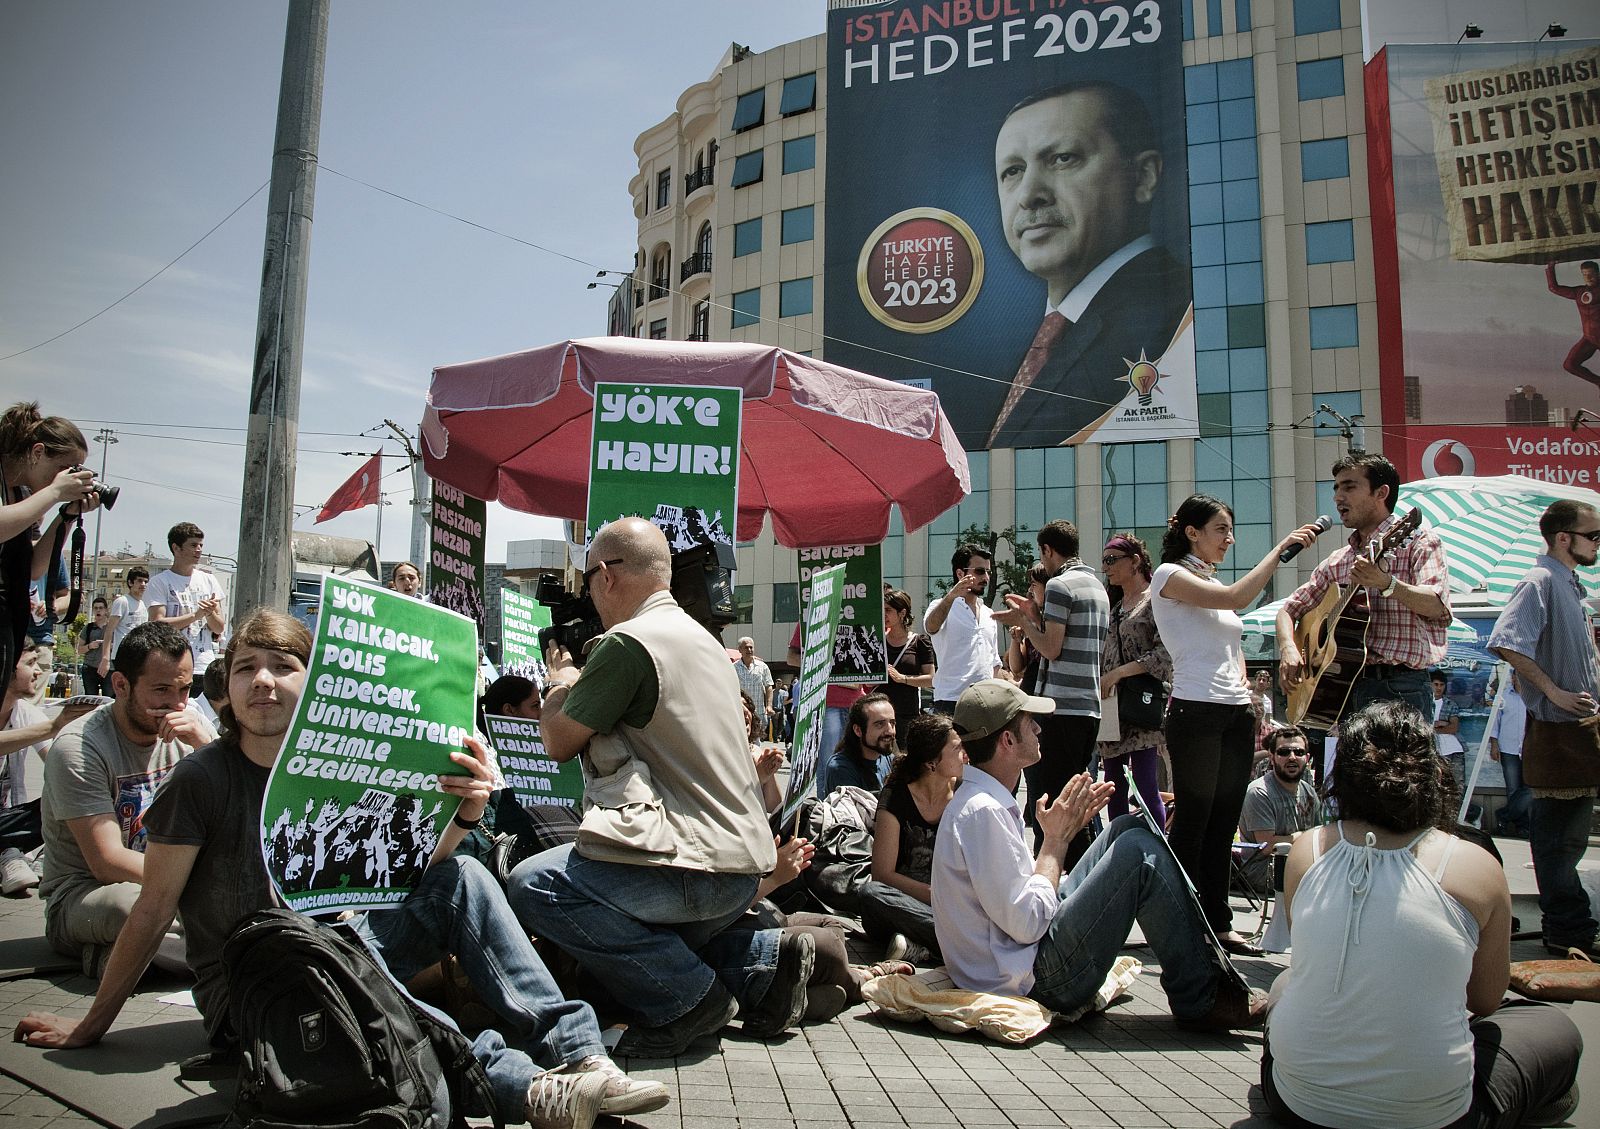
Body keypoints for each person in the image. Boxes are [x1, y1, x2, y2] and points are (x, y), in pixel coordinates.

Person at [16, 608, 667, 1129]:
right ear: (230, 686)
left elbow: (406, 875)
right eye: (246, 667)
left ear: (313, 681)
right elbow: (154, 910)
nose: (263, 680)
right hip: (264, 984)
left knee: (463, 876)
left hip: (347, 941)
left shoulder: (335, 764)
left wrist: (466, 814)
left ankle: (580, 1050)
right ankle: (531, 1090)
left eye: (282, 665)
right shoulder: (200, 779)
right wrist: (90, 1025)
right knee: (373, 994)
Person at [508, 518, 804, 1058]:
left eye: (586, 579)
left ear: (606, 576)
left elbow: (556, 739)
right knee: (612, 966)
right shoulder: (703, 641)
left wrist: (559, 679)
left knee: (536, 883)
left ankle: (694, 1002)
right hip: (740, 870)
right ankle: (758, 968)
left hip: (690, 870)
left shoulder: (628, 644)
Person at [1262, 701, 1581, 1129]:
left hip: (1298, 1105)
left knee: (1285, 982)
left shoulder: (1307, 849)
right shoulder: (1475, 864)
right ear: (1432, 774)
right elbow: (1483, 999)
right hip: (1433, 1115)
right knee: (1549, 1025)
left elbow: (1315, 955)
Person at [932, 679, 1265, 1030]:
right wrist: (1055, 843)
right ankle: (1202, 996)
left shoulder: (984, 802)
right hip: (1034, 979)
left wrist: (1057, 843)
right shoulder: (983, 811)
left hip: (1021, 959)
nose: (1039, 728)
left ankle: (1202, 978)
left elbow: (1013, 901)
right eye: (1030, 722)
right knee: (1138, 854)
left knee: (1126, 829)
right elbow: (1026, 923)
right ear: (1008, 740)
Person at [1152, 494, 1321, 957]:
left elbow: (1230, 637)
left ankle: (1219, 924)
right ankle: (1182, 921)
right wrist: (1280, 549)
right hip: (1196, 710)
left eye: (1230, 530)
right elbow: (1237, 597)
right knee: (1194, 821)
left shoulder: (1207, 579)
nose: (1229, 539)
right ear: (1192, 532)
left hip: (1234, 711)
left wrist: (1247, 692)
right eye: (1221, 530)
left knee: (1224, 822)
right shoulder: (1170, 576)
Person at [984, 82, 1191, 448]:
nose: (1030, 195)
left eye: (1062, 158)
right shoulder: (1044, 339)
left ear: (1143, 176)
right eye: (1013, 171)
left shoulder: (1176, 316)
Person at [39, 622, 215, 974]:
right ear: (121, 685)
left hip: (171, 883)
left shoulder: (190, 728)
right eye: (162, 690)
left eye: (185, 689)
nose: (176, 703)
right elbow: (107, 861)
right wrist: (196, 887)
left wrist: (207, 748)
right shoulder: (79, 748)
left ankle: (131, 962)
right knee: (138, 911)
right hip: (87, 895)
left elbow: (238, 812)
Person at [1276, 453, 1453, 778]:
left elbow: (1437, 605)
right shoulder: (1338, 561)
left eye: (1349, 487)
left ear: (1381, 493)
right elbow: (1289, 609)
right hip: (1347, 691)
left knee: (1405, 784)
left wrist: (1387, 583)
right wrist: (1289, 647)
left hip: (1401, 687)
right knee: (1357, 789)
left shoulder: (1418, 542)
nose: (1337, 497)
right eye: (1336, 488)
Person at [1488, 498, 1600, 957]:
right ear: (1563, 538)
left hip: (1582, 733)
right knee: (1558, 843)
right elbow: (1507, 643)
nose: (1597, 544)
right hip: (1558, 735)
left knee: (1567, 840)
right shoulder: (1539, 581)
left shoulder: (1571, 586)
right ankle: (1569, 931)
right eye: (1593, 536)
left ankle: (1571, 926)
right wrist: (1552, 691)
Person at [994, 520, 1108, 858]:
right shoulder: (1095, 585)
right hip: (1088, 708)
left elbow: (1051, 648)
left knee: (1052, 805)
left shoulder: (1059, 585)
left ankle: (1052, 886)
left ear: (1047, 550)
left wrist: (1024, 622)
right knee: (1073, 803)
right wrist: (1034, 614)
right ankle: (1079, 881)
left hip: (1060, 710)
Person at [0, 403, 99, 690]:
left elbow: (32, 569)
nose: (65, 478)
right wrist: (55, 493)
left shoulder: (23, 495)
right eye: (63, 469)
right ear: (38, 452)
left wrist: (65, 517)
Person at [857, 712, 964, 966]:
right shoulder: (897, 796)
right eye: (957, 748)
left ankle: (925, 947)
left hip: (955, 903)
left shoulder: (965, 792)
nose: (965, 754)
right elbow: (882, 874)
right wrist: (936, 896)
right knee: (871, 894)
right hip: (907, 903)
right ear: (931, 763)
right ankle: (959, 943)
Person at [1, 648, 97, 895]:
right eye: (30, 663)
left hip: (8, 819)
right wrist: (53, 726)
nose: (38, 672)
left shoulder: (25, 712)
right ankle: (10, 854)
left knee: (62, 800)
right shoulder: (42, 722)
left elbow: (58, 764)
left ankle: (11, 853)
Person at [1095, 533, 1170, 827]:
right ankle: (1119, 847)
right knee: (1112, 784)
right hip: (1113, 704)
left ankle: (1155, 847)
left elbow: (1164, 654)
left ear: (1135, 561)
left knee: (1145, 783)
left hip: (1142, 702)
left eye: (1112, 560)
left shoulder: (1155, 600)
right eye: (1104, 561)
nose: (1107, 567)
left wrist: (1119, 673)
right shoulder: (1115, 608)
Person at [1235, 727, 1321, 896]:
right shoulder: (1259, 792)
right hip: (1265, 869)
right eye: (1284, 752)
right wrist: (1301, 837)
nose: (1292, 757)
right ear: (1272, 758)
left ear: (1307, 758)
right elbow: (1268, 846)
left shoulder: (1309, 792)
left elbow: (1318, 836)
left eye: (1298, 752)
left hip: (1299, 861)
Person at [144, 522, 225, 696]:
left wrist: (209, 613)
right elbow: (157, 625)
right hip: (171, 664)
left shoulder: (209, 580)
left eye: (201, 545)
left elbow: (219, 627)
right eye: (193, 545)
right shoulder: (160, 582)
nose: (199, 550)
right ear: (176, 548)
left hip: (203, 666)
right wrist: (196, 615)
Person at [925, 542, 1003, 712]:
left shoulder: (989, 614)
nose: (986, 578)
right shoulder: (940, 605)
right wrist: (951, 596)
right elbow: (931, 627)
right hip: (951, 700)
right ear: (960, 573)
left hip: (985, 702)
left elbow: (994, 662)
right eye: (980, 571)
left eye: (988, 572)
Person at [877, 588, 934, 747]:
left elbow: (930, 679)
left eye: (888, 610)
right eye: (882, 610)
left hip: (907, 715)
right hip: (879, 714)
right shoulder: (876, 641)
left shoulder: (920, 642)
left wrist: (903, 679)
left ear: (902, 613)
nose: (884, 615)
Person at [817, 692, 896, 799]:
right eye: (880, 724)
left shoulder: (887, 758)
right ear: (858, 730)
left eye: (892, 723)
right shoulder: (841, 769)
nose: (890, 731)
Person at [1546, 260, 1600, 387]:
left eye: (1591, 274)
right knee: (1569, 365)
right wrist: (1550, 267)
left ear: (1598, 274)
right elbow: (1554, 288)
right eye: (1584, 274)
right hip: (1589, 339)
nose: (1588, 277)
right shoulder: (1579, 292)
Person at [1489, 673, 1530, 838]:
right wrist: (1494, 744)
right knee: (1513, 790)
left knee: (1530, 789)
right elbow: (1494, 722)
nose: (1519, 679)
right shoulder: (1503, 696)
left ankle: (1504, 816)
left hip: (1529, 749)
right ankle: (1522, 827)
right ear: (1512, 678)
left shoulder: (1532, 697)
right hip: (1508, 748)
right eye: (1517, 676)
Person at [98, 566, 149, 692]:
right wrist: (105, 658)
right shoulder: (122, 601)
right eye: (139, 581)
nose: (143, 584)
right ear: (130, 583)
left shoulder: (143, 605)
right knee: (122, 692)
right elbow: (109, 631)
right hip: (122, 655)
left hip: (139, 656)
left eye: (145, 581)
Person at [1431, 669, 1466, 794]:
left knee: (1457, 787)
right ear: (1430, 685)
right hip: (1433, 750)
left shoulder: (1451, 704)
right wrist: (1441, 724)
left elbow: (1454, 728)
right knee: (1436, 787)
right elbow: (1421, 727)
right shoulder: (1425, 703)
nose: (1439, 688)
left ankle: (1459, 813)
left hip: (1454, 749)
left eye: (1442, 685)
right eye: (1436, 684)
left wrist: (1433, 728)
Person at [734, 636, 774, 741]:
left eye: (751, 647)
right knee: (741, 740)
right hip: (741, 712)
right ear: (740, 650)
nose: (749, 650)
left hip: (758, 712)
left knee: (756, 742)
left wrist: (769, 706)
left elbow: (769, 686)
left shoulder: (763, 667)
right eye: (746, 647)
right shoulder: (733, 668)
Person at [76, 597, 109, 696]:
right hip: (90, 668)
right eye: (96, 608)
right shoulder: (88, 628)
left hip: (108, 669)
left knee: (109, 699)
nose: (98, 610)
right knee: (90, 699)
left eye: (101, 608)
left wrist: (110, 646)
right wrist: (90, 646)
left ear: (106, 610)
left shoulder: (112, 628)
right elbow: (79, 650)